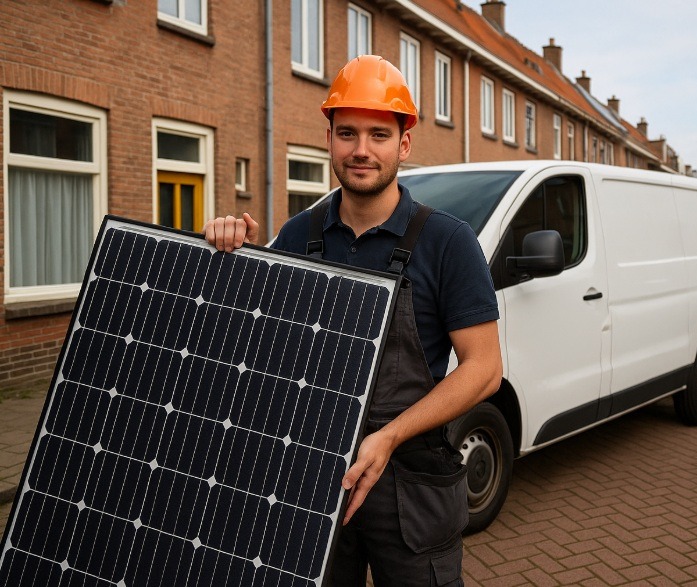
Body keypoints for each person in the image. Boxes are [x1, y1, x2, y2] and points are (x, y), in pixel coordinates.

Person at [204, 55, 502, 586]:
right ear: (329, 140)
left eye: (378, 135)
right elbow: (256, 351)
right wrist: (232, 260)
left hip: (410, 482)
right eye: (347, 133)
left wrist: (387, 437)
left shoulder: (449, 242)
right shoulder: (297, 236)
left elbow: (484, 370)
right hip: (313, 476)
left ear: (403, 144)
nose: (361, 150)